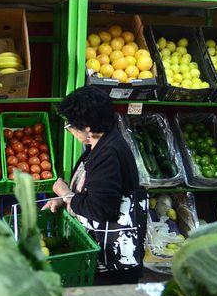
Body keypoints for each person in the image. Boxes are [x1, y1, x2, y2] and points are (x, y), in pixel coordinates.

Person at [42, 85, 148, 285]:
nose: (70, 130)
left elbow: (101, 209)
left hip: (112, 266)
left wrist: (65, 193)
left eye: (70, 125)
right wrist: (64, 200)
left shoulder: (108, 154)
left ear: (88, 127)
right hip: (103, 255)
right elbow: (96, 193)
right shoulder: (103, 143)